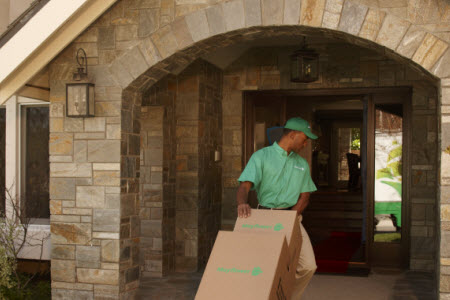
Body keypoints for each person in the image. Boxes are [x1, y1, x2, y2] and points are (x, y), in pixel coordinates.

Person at [236, 117, 318, 299]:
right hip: (265, 216)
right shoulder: (261, 156)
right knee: (261, 267)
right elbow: (245, 185)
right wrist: (242, 202)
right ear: (293, 134)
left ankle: (285, 296)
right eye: (304, 138)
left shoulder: (302, 164)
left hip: (292, 217)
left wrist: (290, 219)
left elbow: (305, 196)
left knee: (308, 265)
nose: (306, 143)